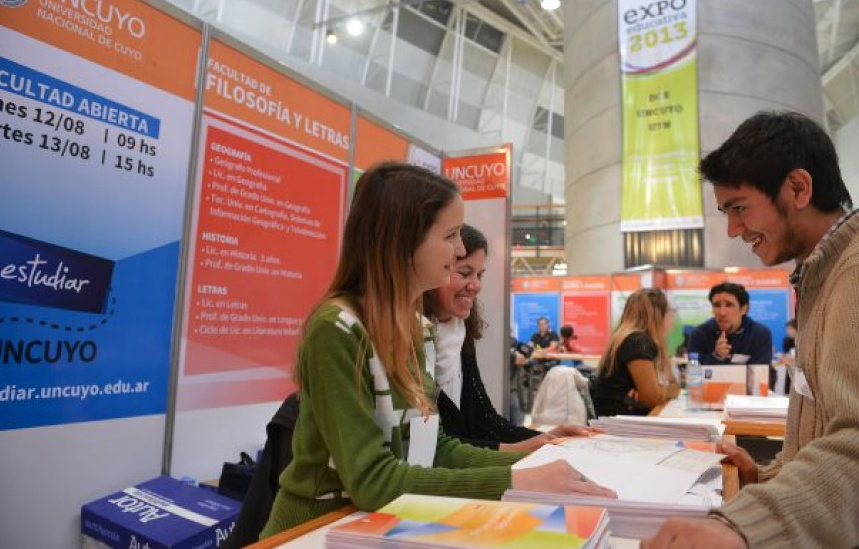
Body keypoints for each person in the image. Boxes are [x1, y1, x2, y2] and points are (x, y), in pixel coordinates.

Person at [261, 163, 615, 537]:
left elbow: (434, 447)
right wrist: (516, 477)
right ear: (403, 239)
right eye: (450, 235)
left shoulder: (415, 328)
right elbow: (372, 480)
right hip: (316, 530)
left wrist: (530, 457)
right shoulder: (336, 330)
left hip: (383, 525)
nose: (460, 248)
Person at [642, 111, 859, 548]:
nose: (733, 229)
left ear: (798, 188)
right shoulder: (825, 272)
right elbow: (827, 426)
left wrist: (742, 526)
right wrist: (767, 475)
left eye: (739, 208)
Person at [423, 224, 593, 452]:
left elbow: (485, 420)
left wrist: (547, 437)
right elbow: (438, 448)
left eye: (479, 275)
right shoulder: (412, 338)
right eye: (465, 273)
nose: (476, 286)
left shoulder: (460, 333)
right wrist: (523, 448)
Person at [591, 288, 680, 417]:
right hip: (620, 425)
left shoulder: (631, 339)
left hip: (620, 420)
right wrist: (660, 392)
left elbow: (674, 387)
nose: (672, 316)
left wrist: (656, 392)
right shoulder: (638, 342)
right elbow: (653, 398)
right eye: (670, 311)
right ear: (658, 315)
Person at [687, 282, 773, 365]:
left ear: (743, 309)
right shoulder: (699, 335)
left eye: (729, 305)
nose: (722, 313)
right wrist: (716, 357)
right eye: (717, 305)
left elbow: (763, 373)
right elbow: (694, 370)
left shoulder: (759, 334)